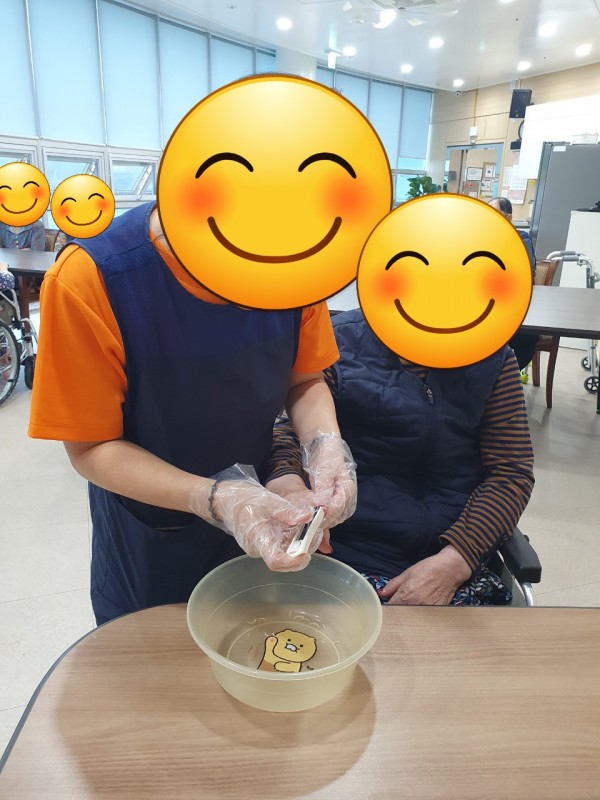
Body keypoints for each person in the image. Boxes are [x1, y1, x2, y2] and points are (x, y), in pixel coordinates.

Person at [28, 202, 358, 625]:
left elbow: (305, 380)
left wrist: (324, 449)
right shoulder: (91, 278)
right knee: (152, 651)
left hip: (266, 512)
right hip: (150, 533)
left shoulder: (300, 261)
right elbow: (92, 446)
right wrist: (216, 498)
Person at [267, 308, 535, 606]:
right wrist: (291, 486)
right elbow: (288, 434)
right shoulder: (337, 340)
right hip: (341, 554)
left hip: (446, 560)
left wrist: (456, 560)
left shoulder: (493, 360)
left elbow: (511, 473)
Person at [488, 196, 538, 370]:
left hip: (513, 300)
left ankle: (505, 372)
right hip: (486, 299)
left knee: (525, 334)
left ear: (508, 217)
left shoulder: (522, 238)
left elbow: (526, 272)